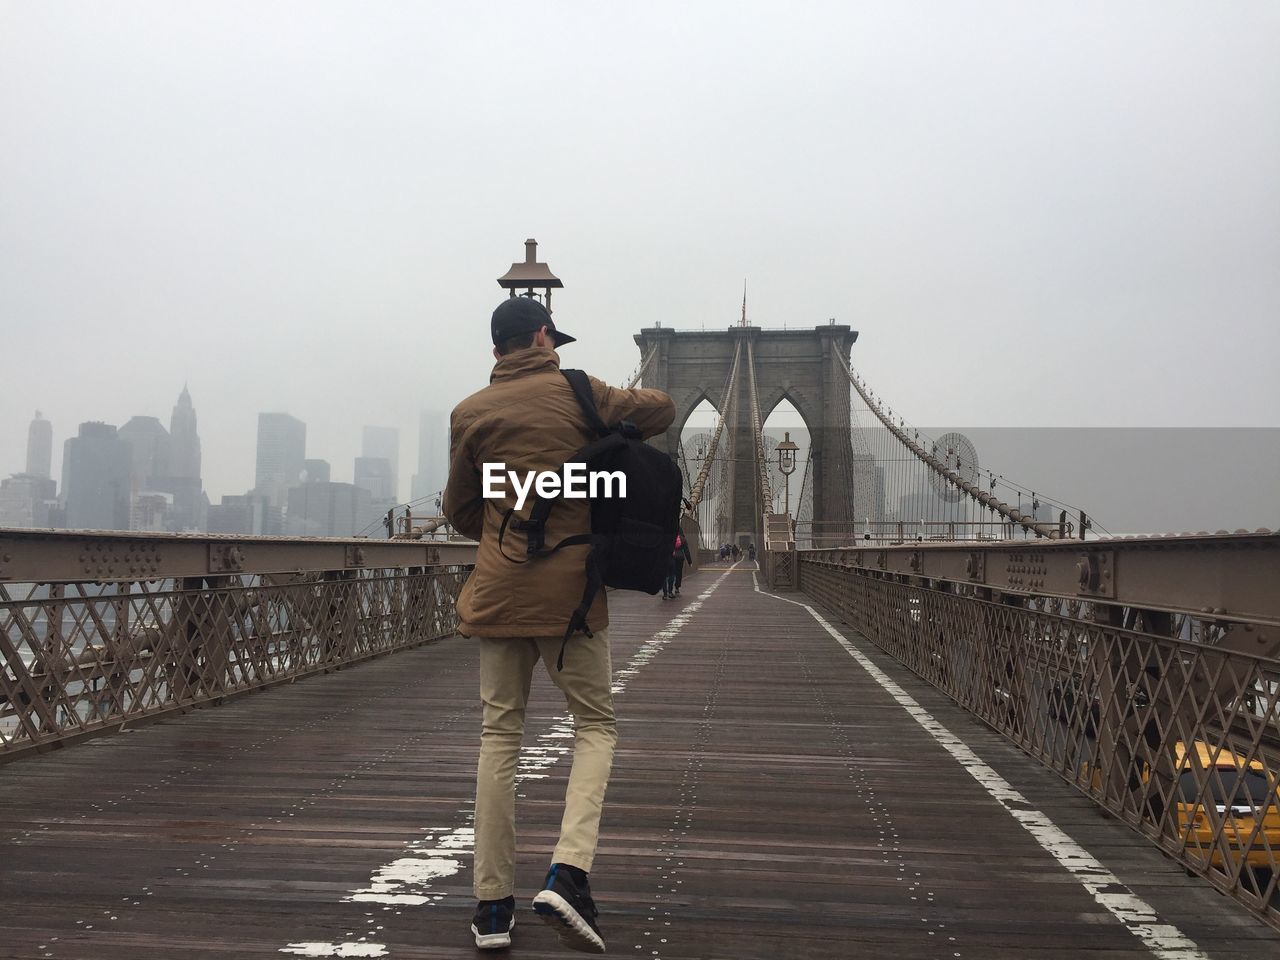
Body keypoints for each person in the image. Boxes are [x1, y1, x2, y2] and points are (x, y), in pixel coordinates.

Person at [444, 295, 675, 953]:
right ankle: (568, 872)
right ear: (544, 337)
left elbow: (461, 510)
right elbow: (660, 410)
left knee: (500, 735)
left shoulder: (470, 414)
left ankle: (491, 908)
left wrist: (502, 526)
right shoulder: (584, 394)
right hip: (571, 596)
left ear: (497, 352)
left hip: (498, 591)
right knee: (595, 726)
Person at [663, 527, 692, 599]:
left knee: (666, 575)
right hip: (680, 557)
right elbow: (686, 551)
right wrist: (690, 562)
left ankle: (665, 593)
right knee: (678, 573)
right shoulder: (682, 539)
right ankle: (676, 588)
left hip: (669, 557)